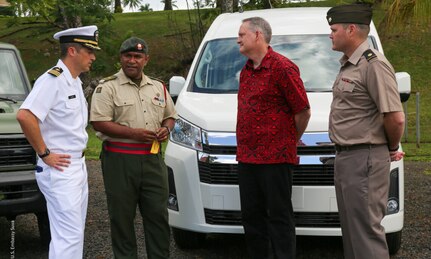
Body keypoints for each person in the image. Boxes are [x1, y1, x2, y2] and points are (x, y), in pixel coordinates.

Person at [326, 4, 405, 259]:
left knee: (366, 235)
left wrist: (391, 149)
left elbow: (395, 117)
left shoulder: (373, 64)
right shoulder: (351, 65)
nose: (330, 34)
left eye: (333, 29)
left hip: (365, 158)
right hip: (349, 158)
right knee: (352, 232)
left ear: (351, 30)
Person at [16, 25, 100, 258]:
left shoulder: (73, 81)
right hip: (60, 168)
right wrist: (44, 153)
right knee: (68, 237)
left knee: (72, 234)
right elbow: (25, 115)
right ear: (72, 50)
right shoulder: (52, 79)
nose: (93, 56)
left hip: (76, 166)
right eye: (89, 51)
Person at [89, 36, 177, 259]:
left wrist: (166, 129)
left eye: (137, 56)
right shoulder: (107, 87)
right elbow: (99, 122)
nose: (132, 60)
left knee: (158, 216)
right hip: (120, 161)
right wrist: (133, 133)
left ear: (146, 59)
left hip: (153, 160)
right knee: (122, 218)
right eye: (127, 56)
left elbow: (170, 116)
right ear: (121, 58)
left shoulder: (158, 87)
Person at [236, 17, 311, 259]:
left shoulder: (282, 67)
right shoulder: (246, 72)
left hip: (276, 159)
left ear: (258, 35)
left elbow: (303, 110)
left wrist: (288, 140)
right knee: (251, 217)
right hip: (247, 158)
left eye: (241, 34)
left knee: (279, 217)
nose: (237, 39)